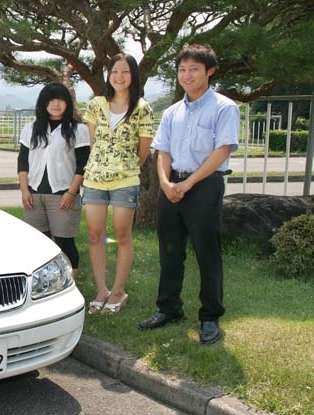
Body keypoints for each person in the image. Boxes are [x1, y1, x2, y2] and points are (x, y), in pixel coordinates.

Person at [138, 44, 240, 345]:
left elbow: (222, 151)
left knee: (207, 253)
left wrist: (189, 183)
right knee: (170, 250)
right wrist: (167, 183)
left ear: (210, 70)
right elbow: (162, 151)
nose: (187, 75)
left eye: (194, 69)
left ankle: (210, 316)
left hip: (204, 187)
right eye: (182, 70)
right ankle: (169, 309)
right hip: (171, 188)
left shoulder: (224, 107)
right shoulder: (172, 111)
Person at [82, 53, 154, 315]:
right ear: (108, 75)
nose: (119, 77)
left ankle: (119, 290)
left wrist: (123, 167)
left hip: (125, 179)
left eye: (125, 72)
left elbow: (143, 151)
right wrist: (102, 166)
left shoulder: (142, 108)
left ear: (133, 76)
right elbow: (94, 144)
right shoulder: (96, 105)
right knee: (94, 235)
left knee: (123, 234)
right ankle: (101, 290)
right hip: (94, 179)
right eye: (114, 72)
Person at [18, 83, 90, 275]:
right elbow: (23, 162)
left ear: (67, 103)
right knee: (38, 242)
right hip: (34, 195)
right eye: (51, 100)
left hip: (63, 195)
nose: (56, 104)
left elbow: (83, 165)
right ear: (43, 103)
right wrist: (25, 190)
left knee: (65, 242)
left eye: (60, 100)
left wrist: (71, 193)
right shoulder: (30, 129)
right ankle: (43, 282)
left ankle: (70, 280)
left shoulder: (78, 130)